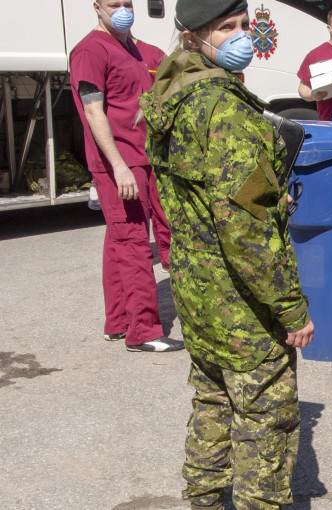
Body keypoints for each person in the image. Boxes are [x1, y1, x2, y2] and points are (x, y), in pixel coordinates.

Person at [140, 0, 315, 508]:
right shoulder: (226, 113)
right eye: (226, 28)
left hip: (196, 292)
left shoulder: (170, 95)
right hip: (241, 304)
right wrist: (290, 307)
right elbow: (249, 230)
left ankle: (205, 500)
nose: (241, 37)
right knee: (268, 424)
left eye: (244, 26)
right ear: (193, 37)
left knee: (212, 403)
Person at [70, 0, 182, 352]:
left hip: (147, 157)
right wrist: (118, 165)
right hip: (119, 161)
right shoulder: (90, 50)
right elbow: (93, 111)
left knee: (118, 240)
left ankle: (118, 321)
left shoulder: (142, 52)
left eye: (128, 3)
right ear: (97, 7)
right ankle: (143, 332)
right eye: (114, 4)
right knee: (133, 243)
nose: (123, 9)